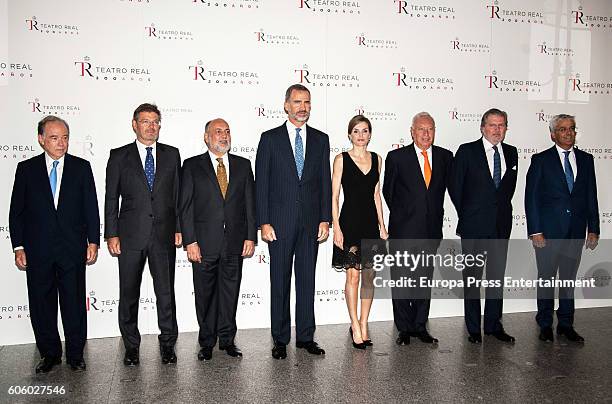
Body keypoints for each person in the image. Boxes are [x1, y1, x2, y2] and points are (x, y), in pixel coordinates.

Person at [9, 115, 100, 373]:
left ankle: (75, 354)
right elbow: (16, 212)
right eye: (54, 138)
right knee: (41, 304)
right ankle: (49, 354)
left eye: (65, 138)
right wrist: (19, 247)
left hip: (72, 249)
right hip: (38, 251)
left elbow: (90, 208)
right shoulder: (26, 170)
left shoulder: (81, 168)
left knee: (73, 303)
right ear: (41, 139)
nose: (61, 143)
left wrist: (93, 240)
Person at [255, 84, 332, 359]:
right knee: (280, 281)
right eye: (298, 102)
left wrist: (325, 218)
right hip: (279, 224)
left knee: (307, 281)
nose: (303, 107)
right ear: (286, 105)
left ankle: (306, 337)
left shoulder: (321, 140)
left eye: (307, 102)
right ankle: (279, 338)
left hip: (311, 224)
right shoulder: (270, 139)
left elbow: (325, 181)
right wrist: (263, 222)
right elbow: (261, 184)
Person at [104, 103, 182, 366]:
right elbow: (111, 197)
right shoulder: (119, 156)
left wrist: (179, 228)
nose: (151, 126)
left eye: (156, 121)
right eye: (146, 121)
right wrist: (111, 234)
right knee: (128, 293)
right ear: (134, 124)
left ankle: (168, 345)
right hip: (129, 237)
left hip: (163, 236)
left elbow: (177, 196)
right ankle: (131, 347)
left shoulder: (172, 155)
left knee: (165, 293)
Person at [179, 118, 256, 361]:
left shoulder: (243, 165)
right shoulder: (191, 166)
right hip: (203, 244)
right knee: (204, 295)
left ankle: (227, 340)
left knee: (230, 293)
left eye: (227, 131)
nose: (224, 136)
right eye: (218, 131)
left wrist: (250, 236)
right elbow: (185, 206)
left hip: (234, 242)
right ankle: (206, 342)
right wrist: (190, 241)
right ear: (206, 137)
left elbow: (249, 205)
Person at [525, 114, 599, 343]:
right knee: (546, 279)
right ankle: (545, 323)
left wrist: (593, 228)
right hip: (548, 233)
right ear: (553, 134)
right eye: (563, 129)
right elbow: (532, 198)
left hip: (575, 232)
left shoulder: (587, 160)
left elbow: (591, 197)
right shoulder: (541, 160)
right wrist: (535, 230)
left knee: (568, 280)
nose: (569, 133)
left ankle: (566, 324)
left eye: (572, 129)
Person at [382, 112, 452, 345]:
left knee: (424, 280)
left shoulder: (444, 157)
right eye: (421, 129)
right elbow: (388, 192)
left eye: (430, 129)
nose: (425, 133)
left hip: (431, 230)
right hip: (404, 229)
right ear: (412, 131)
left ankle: (420, 326)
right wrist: (405, 215)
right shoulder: (397, 157)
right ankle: (404, 328)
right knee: (402, 280)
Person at [449, 108, 518, 344]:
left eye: (502, 125)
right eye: (492, 125)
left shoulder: (512, 152)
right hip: (474, 226)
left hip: (500, 226)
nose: (497, 129)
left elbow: (507, 190)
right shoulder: (467, 151)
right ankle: (473, 328)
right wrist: (468, 214)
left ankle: (492, 325)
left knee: (496, 278)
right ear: (482, 127)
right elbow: (455, 187)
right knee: (472, 279)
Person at [331, 115, 387, 349]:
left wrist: (382, 225)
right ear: (349, 134)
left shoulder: (377, 159)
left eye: (365, 131)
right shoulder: (341, 159)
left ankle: (364, 322)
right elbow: (334, 197)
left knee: (368, 277)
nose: (361, 135)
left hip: (370, 224)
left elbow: (376, 194)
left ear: (370, 134)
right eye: (356, 131)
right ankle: (354, 323)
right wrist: (337, 227)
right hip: (350, 223)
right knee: (352, 276)